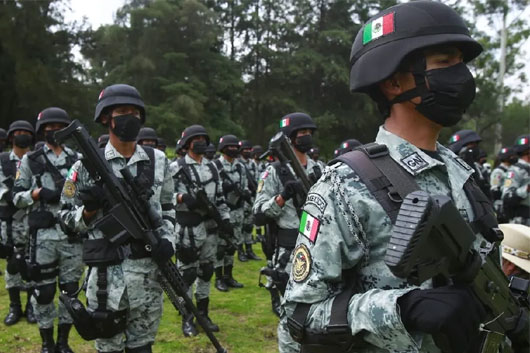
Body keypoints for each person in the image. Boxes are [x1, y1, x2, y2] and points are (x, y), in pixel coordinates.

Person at [281, 2, 499, 353]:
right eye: (445, 62)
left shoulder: (463, 175)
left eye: (461, 62)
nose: (461, 75)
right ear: (394, 82)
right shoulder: (346, 185)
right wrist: (402, 309)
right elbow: (298, 317)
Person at [58, 84, 175, 353]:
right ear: (105, 119)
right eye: (122, 112)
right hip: (105, 283)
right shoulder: (83, 166)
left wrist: (167, 240)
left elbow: (168, 208)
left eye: (135, 113)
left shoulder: (158, 161)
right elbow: (65, 218)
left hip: (148, 277)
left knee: (142, 348)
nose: (130, 118)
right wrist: (88, 211)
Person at [13, 108, 83, 353]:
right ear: (42, 131)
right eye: (49, 128)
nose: (54, 132)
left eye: (59, 128)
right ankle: (47, 343)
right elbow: (16, 197)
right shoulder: (30, 160)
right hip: (42, 237)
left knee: (69, 290)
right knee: (43, 292)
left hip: (71, 236)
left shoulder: (77, 158)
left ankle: (63, 341)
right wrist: (35, 193)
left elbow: (84, 191)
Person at [253, 112, 321, 332]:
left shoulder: (320, 169)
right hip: (289, 250)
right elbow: (258, 213)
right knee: (291, 311)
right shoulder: (273, 172)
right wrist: (282, 197)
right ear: (290, 138)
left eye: (309, 133)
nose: (307, 137)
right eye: (302, 133)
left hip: (319, 246)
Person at [170, 124, 232, 336]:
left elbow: (221, 198)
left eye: (203, 139)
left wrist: (226, 220)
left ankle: (203, 315)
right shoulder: (176, 167)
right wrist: (181, 198)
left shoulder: (213, 167)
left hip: (210, 228)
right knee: (187, 273)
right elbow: (162, 196)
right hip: (188, 227)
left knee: (206, 272)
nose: (201, 143)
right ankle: (187, 318)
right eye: (196, 139)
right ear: (187, 143)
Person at [0, 120, 36, 326]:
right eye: (18, 132)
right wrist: (23, 194)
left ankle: (31, 305)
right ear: (11, 136)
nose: (22, 135)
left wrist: (25, 195)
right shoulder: (3, 160)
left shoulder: (38, 161)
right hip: (10, 222)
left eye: (26, 132)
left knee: (32, 263)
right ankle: (15, 307)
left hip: (33, 221)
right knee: (12, 264)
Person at [211, 134, 247, 291]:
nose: (232, 149)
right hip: (222, 212)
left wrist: (244, 193)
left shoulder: (240, 167)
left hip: (237, 211)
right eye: (229, 147)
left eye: (235, 147)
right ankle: (218, 278)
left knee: (233, 245)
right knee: (220, 247)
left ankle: (228, 276)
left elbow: (244, 186)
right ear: (223, 148)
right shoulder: (215, 166)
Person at [448, 129, 491, 199]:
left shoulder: (475, 166)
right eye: (471, 145)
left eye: (476, 145)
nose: (475, 148)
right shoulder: (449, 166)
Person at [238, 139, 261, 261]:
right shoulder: (238, 164)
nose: (246, 151)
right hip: (241, 200)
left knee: (248, 226)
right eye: (244, 150)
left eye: (248, 149)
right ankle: (240, 251)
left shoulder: (253, 164)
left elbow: (257, 180)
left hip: (252, 198)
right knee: (240, 227)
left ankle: (249, 250)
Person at [502, 134, 530, 225]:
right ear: (527, 152)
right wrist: (526, 189)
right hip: (523, 222)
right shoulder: (514, 171)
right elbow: (507, 196)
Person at [491, 147, 517, 222]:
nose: (514, 158)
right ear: (506, 158)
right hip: (501, 204)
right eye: (512, 156)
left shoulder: (511, 169)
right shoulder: (498, 171)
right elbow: (494, 188)